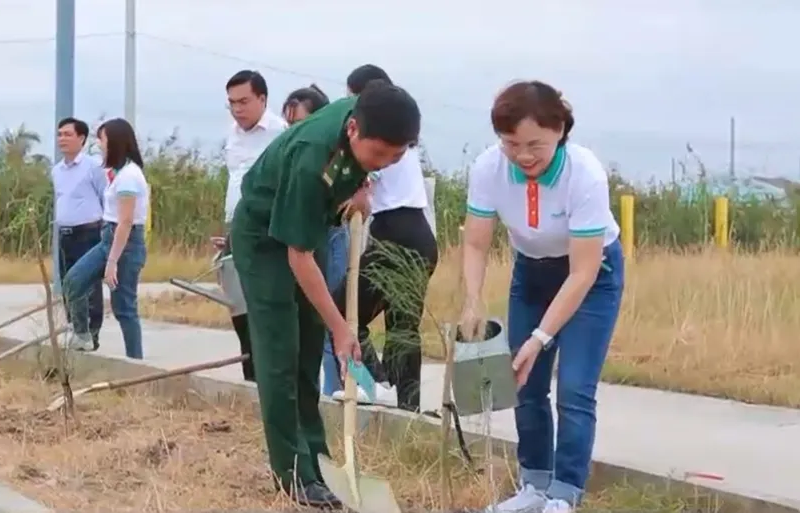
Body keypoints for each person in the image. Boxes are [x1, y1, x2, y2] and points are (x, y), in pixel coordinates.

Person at [230, 81, 421, 507]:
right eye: (378, 156)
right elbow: (298, 257)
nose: (386, 163)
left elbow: (357, 163)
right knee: (280, 354)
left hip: (306, 225)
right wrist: (342, 328)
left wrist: (360, 184)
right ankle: (293, 473)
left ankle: (315, 456)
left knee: (307, 348)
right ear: (353, 129)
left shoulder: (371, 108)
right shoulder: (310, 160)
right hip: (264, 239)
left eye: (397, 156)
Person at [460, 80, 625, 513]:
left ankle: (565, 493)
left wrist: (540, 338)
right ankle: (533, 486)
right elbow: (476, 243)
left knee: (573, 388)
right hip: (532, 272)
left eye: (536, 144)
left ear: (560, 131)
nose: (524, 155)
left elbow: (583, 271)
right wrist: (473, 299)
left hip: (591, 277)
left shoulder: (584, 174)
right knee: (524, 383)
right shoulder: (488, 168)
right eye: (512, 143)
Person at [326, 65, 439, 412]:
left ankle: (377, 384)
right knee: (398, 325)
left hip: (401, 234)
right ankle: (403, 401)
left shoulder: (384, 138)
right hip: (409, 234)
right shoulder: (396, 134)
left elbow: (357, 182)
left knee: (345, 311)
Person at [63, 118, 150, 359]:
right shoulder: (116, 173)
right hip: (107, 239)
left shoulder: (130, 176)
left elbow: (126, 222)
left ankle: (135, 361)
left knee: (124, 308)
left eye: (101, 140)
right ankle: (82, 335)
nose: (99, 145)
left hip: (126, 244)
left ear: (115, 142)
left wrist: (112, 262)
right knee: (73, 281)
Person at [221, 69, 288, 381]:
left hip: (267, 231)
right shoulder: (232, 134)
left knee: (263, 308)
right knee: (237, 305)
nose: (238, 109)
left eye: (244, 101)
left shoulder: (280, 133)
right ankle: (251, 375)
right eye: (232, 103)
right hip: (236, 228)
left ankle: (269, 376)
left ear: (262, 98)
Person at [51, 117, 108, 351]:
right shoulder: (57, 170)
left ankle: (91, 334)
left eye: (67, 134)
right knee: (67, 282)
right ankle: (75, 328)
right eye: (59, 134)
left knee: (88, 284)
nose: (62, 139)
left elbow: (106, 198)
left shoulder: (93, 167)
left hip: (89, 232)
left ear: (81, 139)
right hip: (65, 234)